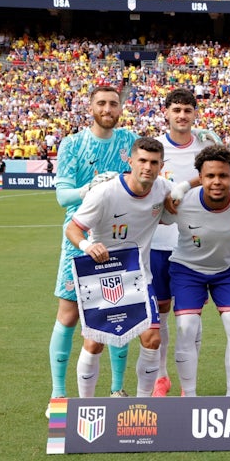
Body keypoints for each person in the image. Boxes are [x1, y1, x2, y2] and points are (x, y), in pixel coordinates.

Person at [48, 85, 136, 417]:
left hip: (120, 238)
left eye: (113, 103)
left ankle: (117, 389)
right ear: (91, 107)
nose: (108, 108)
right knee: (68, 315)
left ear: (120, 108)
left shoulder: (130, 140)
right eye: (101, 102)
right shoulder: (73, 144)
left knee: (120, 314)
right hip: (79, 239)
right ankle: (59, 395)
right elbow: (63, 197)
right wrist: (92, 186)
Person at [65, 137, 172, 397]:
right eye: (142, 160)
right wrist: (87, 246)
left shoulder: (162, 189)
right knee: (93, 344)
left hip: (138, 277)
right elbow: (73, 228)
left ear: (161, 165)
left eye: (154, 162)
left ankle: (143, 405)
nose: (147, 167)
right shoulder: (105, 193)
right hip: (103, 277)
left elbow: (179, 203)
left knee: (152, 340)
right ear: (130, 161)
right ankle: (86, 405)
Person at [164, 145, 230, 397]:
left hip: (229, 271)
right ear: (200, 177)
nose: (217, 182)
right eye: (210, 176)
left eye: (223, 176)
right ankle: (189, 396)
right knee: (187, 327)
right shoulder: (179, 203)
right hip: (188, 270)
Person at [150, 88, 222, 397]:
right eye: (176, 110)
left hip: (196, 242)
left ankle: (187, 384)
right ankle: (163, 376)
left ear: (195, 114)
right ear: (166, 112)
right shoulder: (154, 148)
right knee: (162, 310)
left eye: (187, 110)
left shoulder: (207, 146)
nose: (182, 115)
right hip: (158, 241)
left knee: (190, 314)